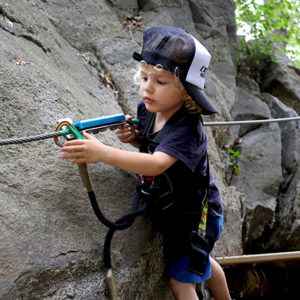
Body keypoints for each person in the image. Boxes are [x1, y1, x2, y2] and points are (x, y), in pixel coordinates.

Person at [61, 25, 231, 300]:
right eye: (144, 78)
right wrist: (135, 140)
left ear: (186, 92)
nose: (147, 88)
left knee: (181, 283)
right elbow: (154, 148)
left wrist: (102, 152)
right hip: (180, 213)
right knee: (202, 260)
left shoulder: (187, 129)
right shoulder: (149, 110)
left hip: (198, 219)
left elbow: (156, 164)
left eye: (160, 82)